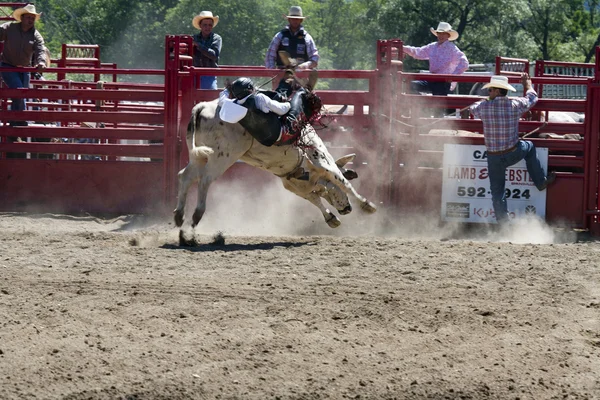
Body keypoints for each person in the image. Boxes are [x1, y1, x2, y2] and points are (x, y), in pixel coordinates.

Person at [469, 73, 556, 225]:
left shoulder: (483, 107)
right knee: (529, 147)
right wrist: (527, 84)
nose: (488, 93)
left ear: (496, 91)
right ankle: (540, 180)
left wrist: (488, 100)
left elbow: (472, 108)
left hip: (493, 157)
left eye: (490, 90)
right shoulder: (515, 105)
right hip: (513, 152)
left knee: (497, 191)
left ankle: (504, 224)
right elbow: (532, 97)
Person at [218, 75, 320, 149]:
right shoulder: (260, 98)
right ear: (249, 89)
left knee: (277, 95)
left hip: (265, 140)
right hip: (284, 134)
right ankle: (307, 89)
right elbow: (282, 110)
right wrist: (290, 103)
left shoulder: (234, 105)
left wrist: (228, 90)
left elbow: (222, 99)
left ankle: (286, 83)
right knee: (300, 93)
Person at [403, 22, 468, 96]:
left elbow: (464, 63)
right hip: (432, 79)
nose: (441, 35)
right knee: (410, 85)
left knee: (439, 101)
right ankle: (421, 104)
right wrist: (404, 48)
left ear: (448, 35)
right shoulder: (432, 46)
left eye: (443, 33)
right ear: (437, 34)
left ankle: (425, 104)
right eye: (439, 33)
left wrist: (453, 76)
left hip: (443, 82)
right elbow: (418, 52)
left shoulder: (452, 48)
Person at [265, 6, 319, 70]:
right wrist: (273, 72)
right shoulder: (280, 36)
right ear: (289, 20)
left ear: (301, 20)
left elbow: (314, 58)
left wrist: (304, 66)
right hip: (282, 73)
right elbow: (270, 56)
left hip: (301, 76)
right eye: (293, 19)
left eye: (297, 19)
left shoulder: (307, 38)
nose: (295, 21)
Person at [191, 11, 222, 90]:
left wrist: (198, 45)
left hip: (209, 74)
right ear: (200, 26)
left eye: (210, 25)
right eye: (205, 25)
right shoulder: (194, 38)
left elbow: (214, 55)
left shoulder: (216, 38)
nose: (207, 27)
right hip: (195, 74)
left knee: (210, 98)